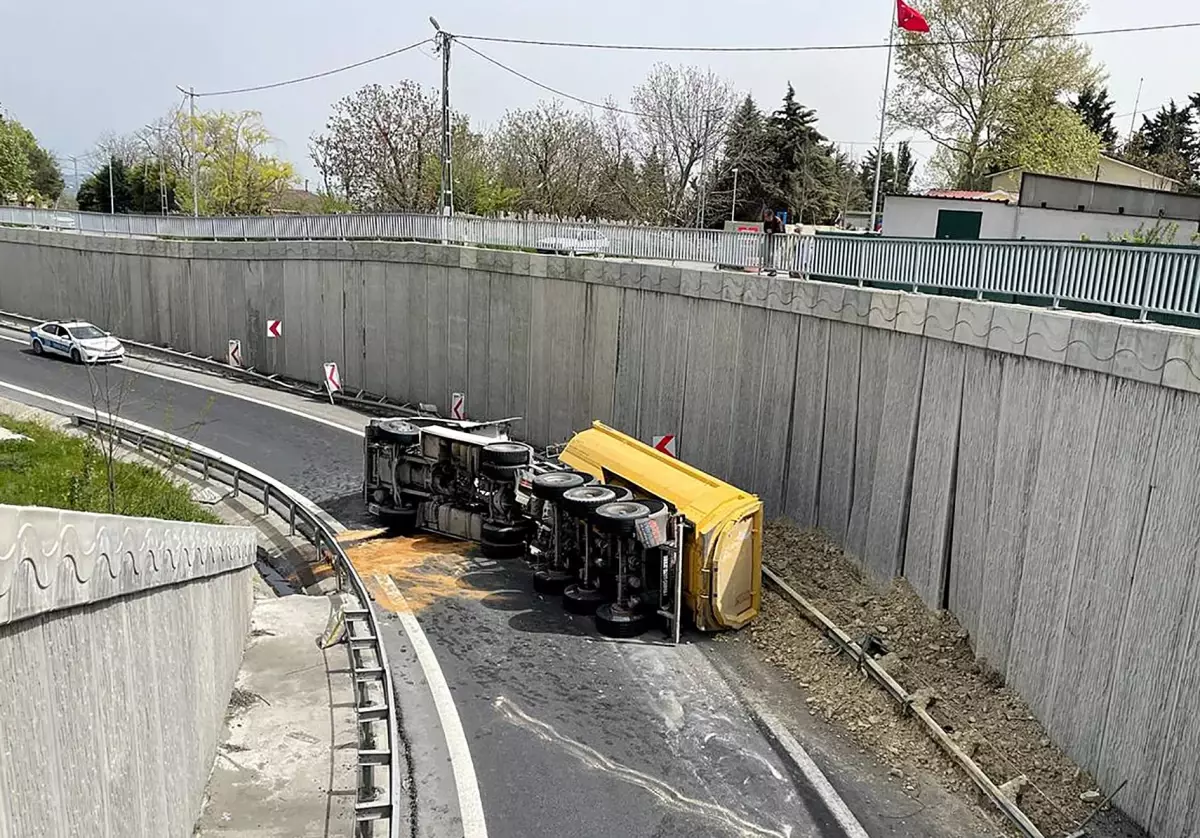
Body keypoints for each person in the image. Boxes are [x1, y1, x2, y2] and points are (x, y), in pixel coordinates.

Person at [760, 208, 785, 276]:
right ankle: (770, 268)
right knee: (770, 254)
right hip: (770, 240)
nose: (765, 218)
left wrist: (773, 232)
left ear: (770, 216)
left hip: (778, 241)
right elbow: (765, 229)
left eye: (766, 217)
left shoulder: (777, 220)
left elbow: (781, 231)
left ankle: (774, 269)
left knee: (775, 255)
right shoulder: (766, 221)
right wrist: (767, 231)